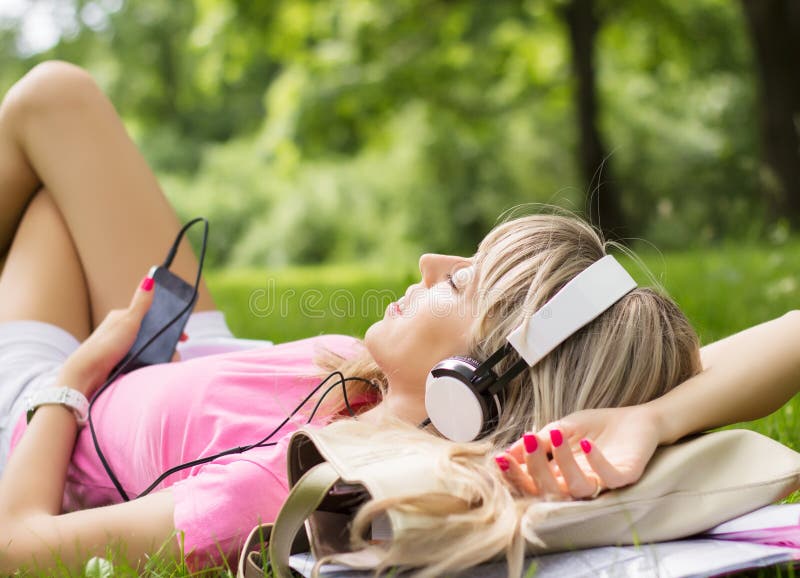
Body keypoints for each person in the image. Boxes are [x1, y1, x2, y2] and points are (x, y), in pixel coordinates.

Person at [0, 61, 793, 576]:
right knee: (56, 99)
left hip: (56, 413)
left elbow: (18, 547)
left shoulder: (271, 489)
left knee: (43, 123)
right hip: (183, 353)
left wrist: (71, 381)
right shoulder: (381, 394)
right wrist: (650, 418)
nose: (425, 267)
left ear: (471, 384)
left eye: (460, 284)